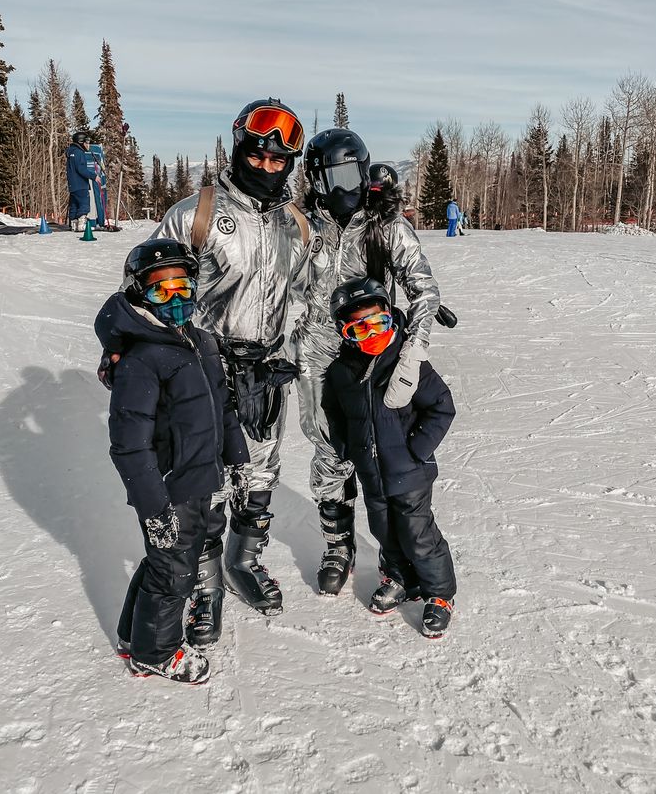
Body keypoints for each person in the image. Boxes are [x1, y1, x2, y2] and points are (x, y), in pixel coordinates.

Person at [98, 98, 313, 646]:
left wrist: (298, 354)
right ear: (240, 147)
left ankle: (246, 560)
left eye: (278, 161)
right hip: (202, 373)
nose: (267, 167)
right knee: (202, 485)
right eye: (258, 155)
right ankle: (204, 583)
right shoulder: (196, 215)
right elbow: (145, 290)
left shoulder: (295, 224)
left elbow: (303, 295)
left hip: (267, 372)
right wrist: (121, 351)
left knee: (259, 473)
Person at [292, 132, 440, 595]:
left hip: (371, 355)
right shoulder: (301, 227)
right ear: (314, 180)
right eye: (331, 178)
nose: (343, 188)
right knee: (329, 447)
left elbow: (424, 290)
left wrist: (412, 352)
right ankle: (339, 543)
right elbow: (270, 289)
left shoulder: (385, 225)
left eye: (351, 175)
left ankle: (400, 552)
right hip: (318, 354)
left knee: (381, 450)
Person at [94, 239, 249, 682]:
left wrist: (236, 460)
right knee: (173, 573)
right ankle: (155, 654)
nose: (176, 298)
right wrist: (153, 507)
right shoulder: (141, 359)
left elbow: (223, 407)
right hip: (168, 490)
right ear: (139, 293)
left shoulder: (200, 341)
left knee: (162, 564)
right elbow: (129, 445)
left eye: (182, 286)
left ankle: (132, 636)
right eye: (162, 290)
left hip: (201, 479)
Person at [322, 276, 457, 639]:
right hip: (371, 474)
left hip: (410, 473)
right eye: (358, 330)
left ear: (391, 317)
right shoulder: (340, 372)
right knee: (384, 530)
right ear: (344, 333)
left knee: (418, 534)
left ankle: (439, 594)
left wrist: (418, 449)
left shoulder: (407, 363)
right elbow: (332, 410)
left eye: (378, 324)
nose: (371, 336)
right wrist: (348, 447)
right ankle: (400, 578)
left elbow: (442, 407)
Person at [66, 131, 97, 231]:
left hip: (73, 185)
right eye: (86, 142)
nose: (88, 145)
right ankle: (81, 224)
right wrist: (94, 176)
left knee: (74, 204)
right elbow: (81, 169)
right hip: (80, 184)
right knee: (84, 203)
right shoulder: (79, 153)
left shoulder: (71, 152)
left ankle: (73, 223)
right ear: (81, 142)